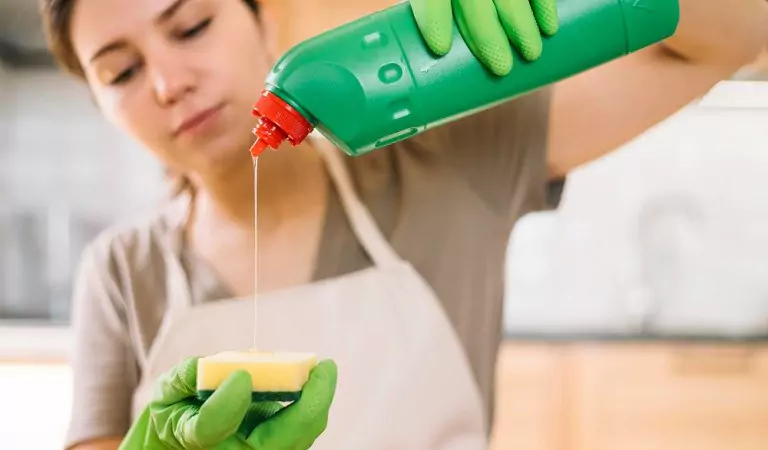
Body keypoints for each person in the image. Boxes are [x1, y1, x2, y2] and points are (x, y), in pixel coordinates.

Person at [40, 0, 767, 448]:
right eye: (121, 72)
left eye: (191, 25)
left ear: (265, 22)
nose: (170, 83)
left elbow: (738, 34)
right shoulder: (120, 272)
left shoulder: (451, 159)